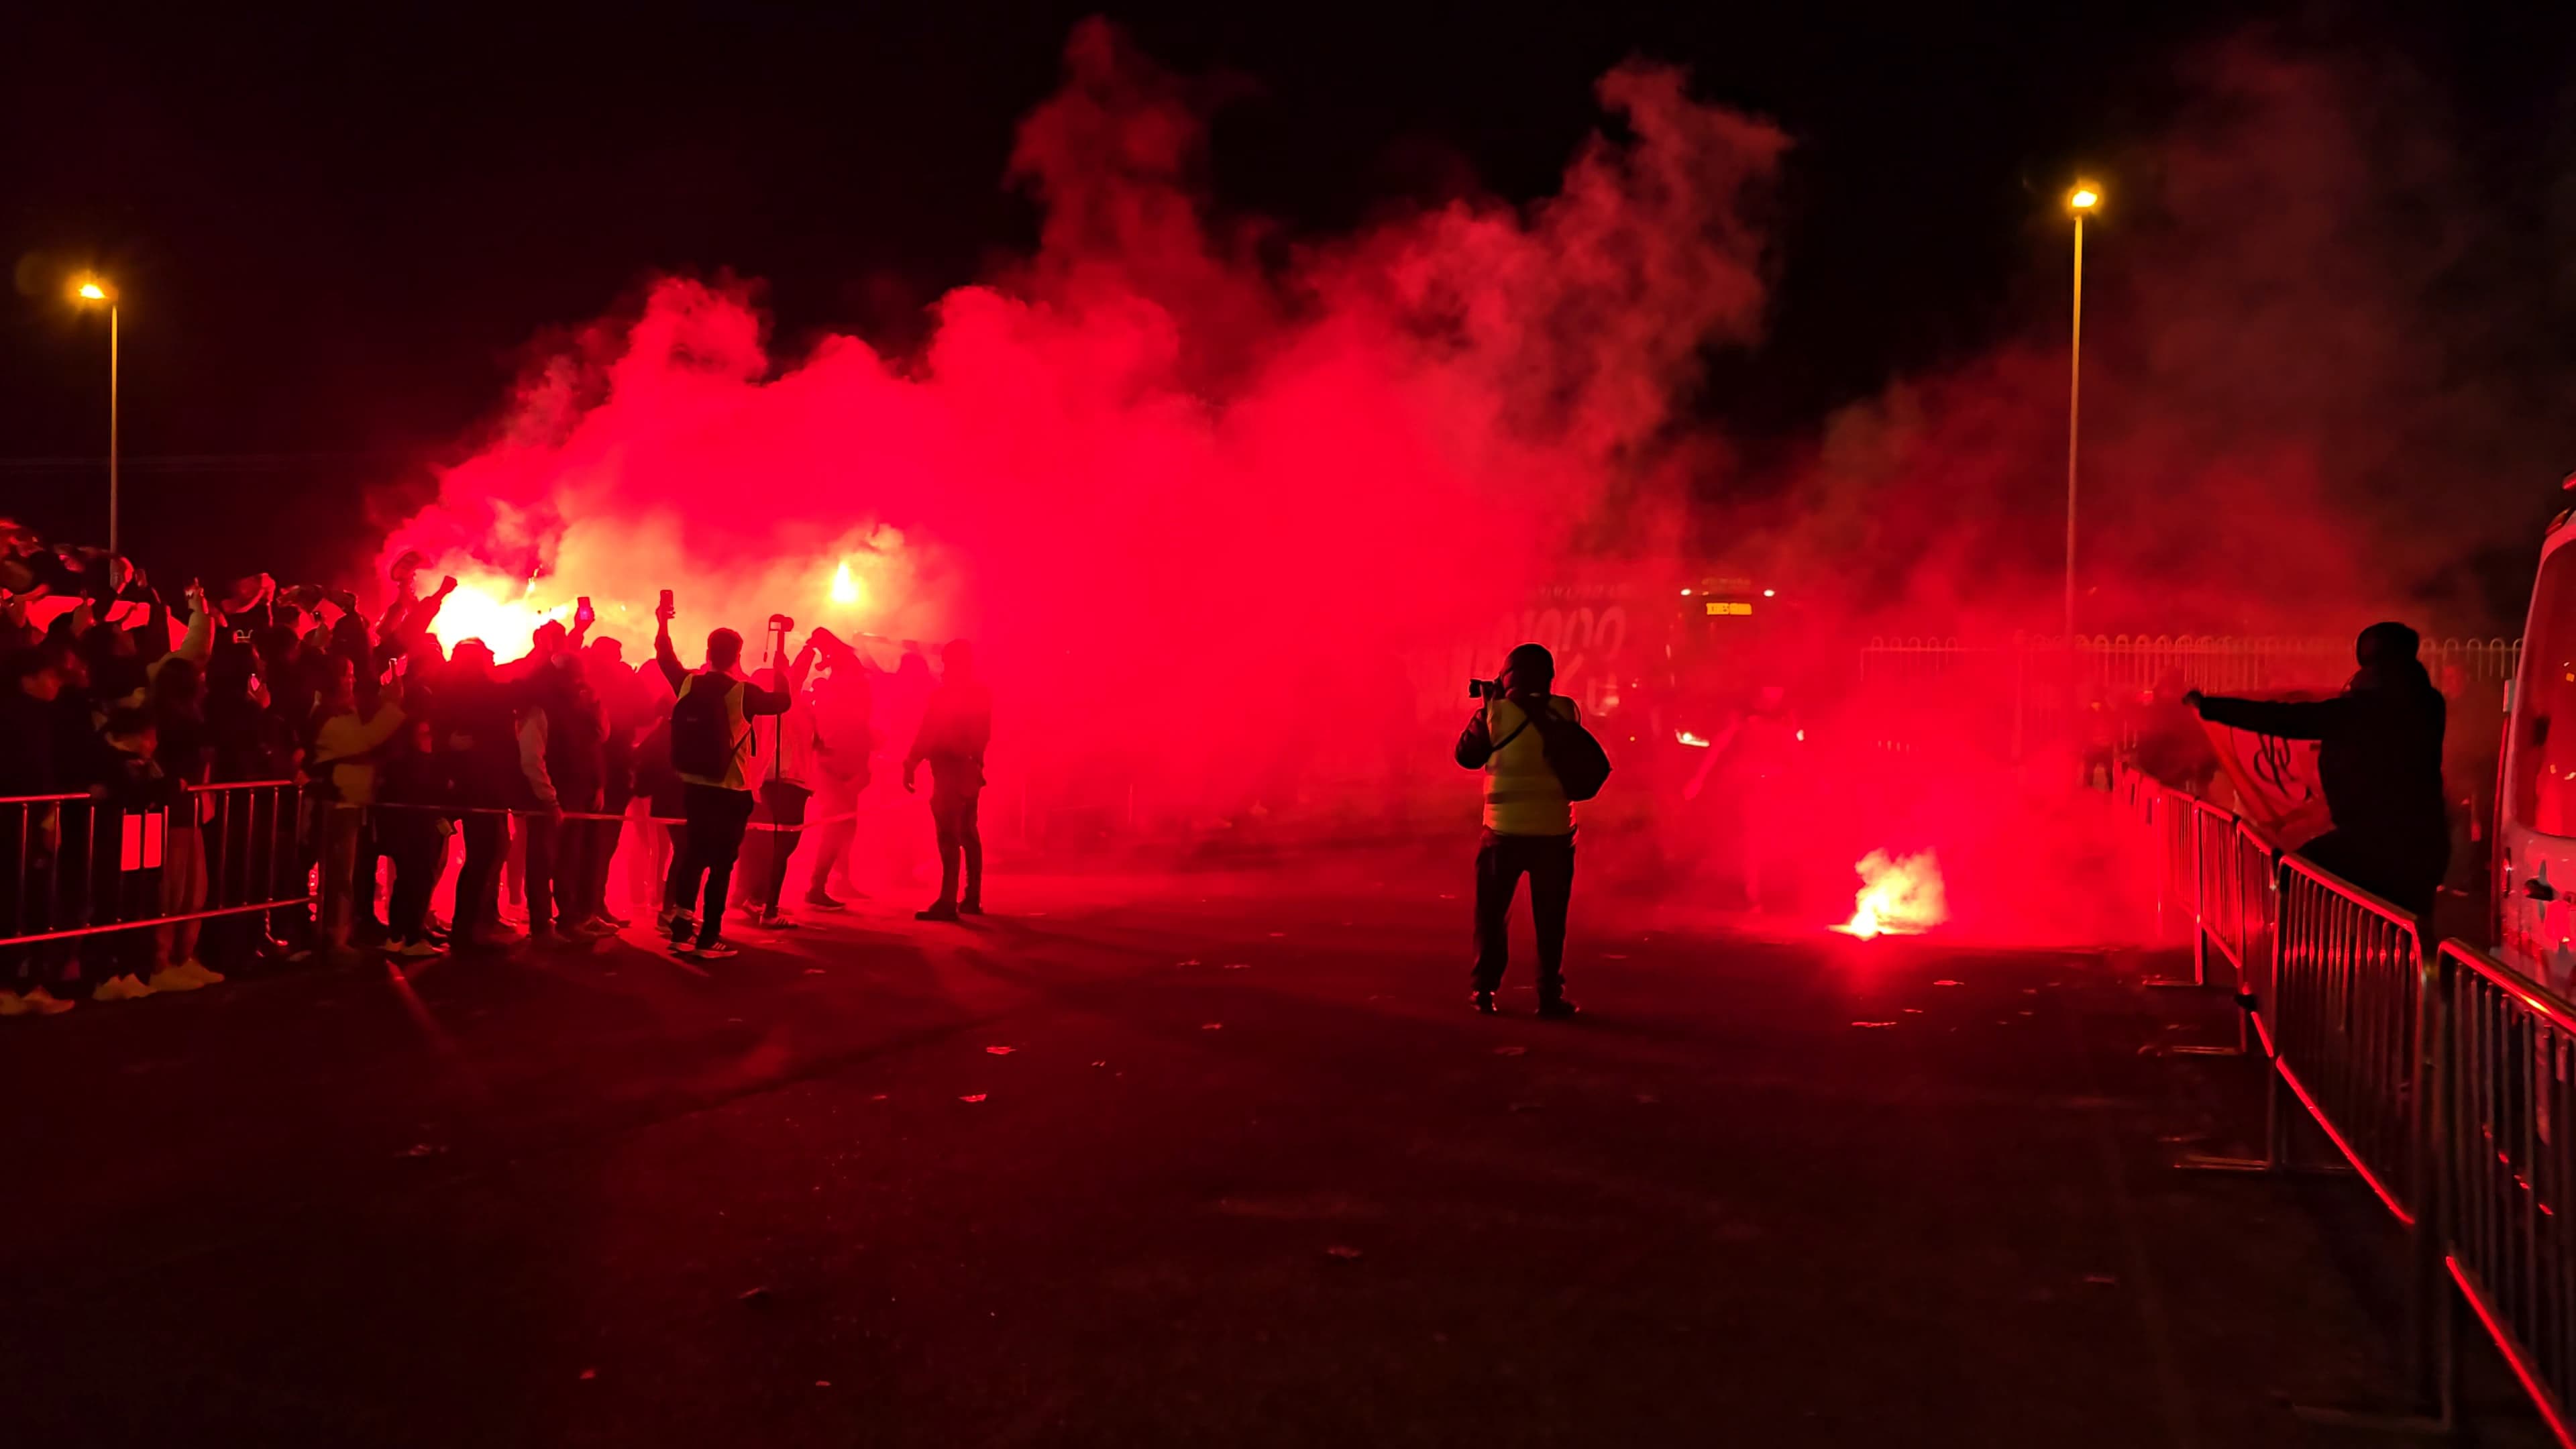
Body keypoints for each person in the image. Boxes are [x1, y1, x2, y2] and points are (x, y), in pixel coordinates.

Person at [2187, 621, 2449, 921]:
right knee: (2412, 927)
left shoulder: (2359, 711)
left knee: (2292, 873)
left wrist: (2212, 708)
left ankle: (2311, 955)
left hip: (2374, 841)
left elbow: (2283, 719)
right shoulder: (2429, 703)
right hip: (2427, 839)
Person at [651, 595, 799, 960]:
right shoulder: (742, 692)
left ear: (708, 650)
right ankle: (709, 938)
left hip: (693, 785)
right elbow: (783, 703)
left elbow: (663, 657)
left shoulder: (687, 683)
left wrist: (663, 623)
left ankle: (681, 930)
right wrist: (782, 667)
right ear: (738, 654)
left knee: (692, 858)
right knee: (721, 863)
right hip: (730, 789)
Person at [1454, 643, 1581, 1018]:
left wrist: (1488, 707)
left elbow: (1466, 756)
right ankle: (1549, 997)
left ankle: (1484, 992)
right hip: (1556, 834)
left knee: (1492, 917)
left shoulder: (1496, 715)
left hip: (1502, 833)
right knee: (1551, 920)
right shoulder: (1566, 710)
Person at [0, 647, 78, 1016]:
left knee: (21, 898)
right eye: (50, 676)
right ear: (26, 679)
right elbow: (32, 770)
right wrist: (48, 811)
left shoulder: (36, 715)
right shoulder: (22, 717)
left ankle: (19, 983)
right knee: (16, 898)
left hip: (25, 816)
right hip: (17, 819)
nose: (57, 684)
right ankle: (14, 984)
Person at [738, 631, 827, 928]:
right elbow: (795, 676)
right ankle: (765, 904)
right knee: (774, 847)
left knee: (782, 848)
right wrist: (799, 656)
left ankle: (761, 899)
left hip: (794, 783)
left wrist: (806, 650)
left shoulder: (798, 707)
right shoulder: (768, 708)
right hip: (775, 783)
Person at [905, 640, 991, 922]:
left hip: (951, 771)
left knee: (948, 835)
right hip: (969, 771)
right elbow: (983, 734)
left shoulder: (946, 696)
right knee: (968, 832)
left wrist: (911, 761)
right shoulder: (980, 694)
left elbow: (928, 729)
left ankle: (947, 900)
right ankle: (972, 896)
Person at [377, 715, 455, 957]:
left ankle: (397, 935)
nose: (429, 739)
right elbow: (429, 795)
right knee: (418, 882)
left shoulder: (401, 763)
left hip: (408, 831)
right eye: (424, 734)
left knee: (406, 883)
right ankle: (412, 938)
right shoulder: (418, 764)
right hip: (419, 831)